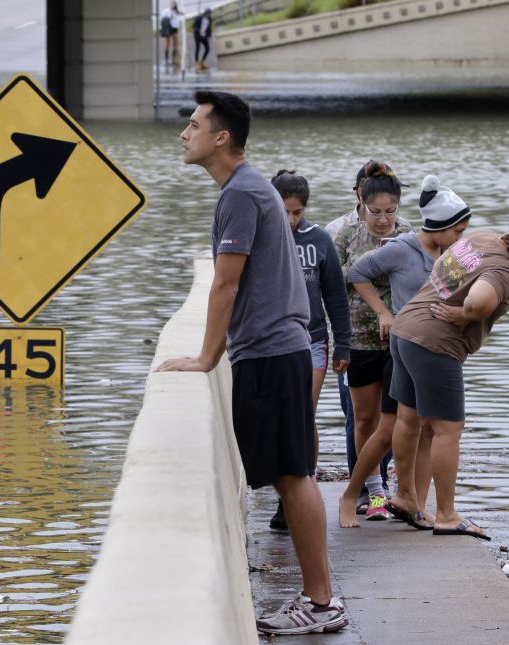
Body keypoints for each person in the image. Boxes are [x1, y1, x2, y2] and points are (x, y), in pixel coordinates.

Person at [157, 90, 347, 635]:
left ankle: (321, 604)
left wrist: (204, 357)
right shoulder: (250, 188)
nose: (183, 133)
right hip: (277, 350)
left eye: (193, 125)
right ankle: (319, 600)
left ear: (221, 137)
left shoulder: (241, 193)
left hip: (269, 351)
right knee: (292, 476)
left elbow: (226, 282)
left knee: (293, 477)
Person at [385, 209, 509, 541]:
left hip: (405, 330)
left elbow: (442, 266)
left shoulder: (482, 237)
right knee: (448, 429)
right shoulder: (503, 270)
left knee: (408, 420)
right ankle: (448, 515)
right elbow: (479, 302)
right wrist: (463, 314)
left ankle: (406, 497)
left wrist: (453, 302)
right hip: (435, 344)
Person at [337, 175, 471, 529]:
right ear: (440, 226)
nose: (462, 238)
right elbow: (357, 273)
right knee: (388, 428)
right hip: (400, 347)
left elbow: (455, 294)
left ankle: (415, 503)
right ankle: (352, 494)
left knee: (429, 430)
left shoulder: (451, 256)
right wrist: (384, 312)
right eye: (458, 231)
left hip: (434, 351)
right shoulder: (402, 247)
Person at [324, 162, 413, 515]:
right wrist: (371, 264)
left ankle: (383, 486)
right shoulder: (341, 234)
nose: (382, 219)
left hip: (398, 339)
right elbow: (329, 282)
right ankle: (365, 487)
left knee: (392, 417)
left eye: (390, 212)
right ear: (360, 201)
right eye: (375, 212)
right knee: (361, 418)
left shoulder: (407, 233)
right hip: (356, 337)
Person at [268, 170, 351, 531]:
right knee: (276, 419)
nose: (290, 220)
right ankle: (284, 491)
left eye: (297, 213)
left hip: (312, 340)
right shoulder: (260, 238)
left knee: (302, 415)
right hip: (268, 342)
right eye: (284, 211)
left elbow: (334, 294)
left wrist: (343, 343)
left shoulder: (317, 240)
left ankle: (303, 490)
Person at [159, 2, 182, 67]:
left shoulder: (176, 11)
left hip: (175, 28)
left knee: (175, 43)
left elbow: (180, 15)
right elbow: (163, 19)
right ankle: (166, 59)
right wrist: (170, 17)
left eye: (174, 4)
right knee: (167, 44)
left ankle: (173, 59)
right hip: (168, 28)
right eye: (172, 4)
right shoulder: (166, 11)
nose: (172, 5)